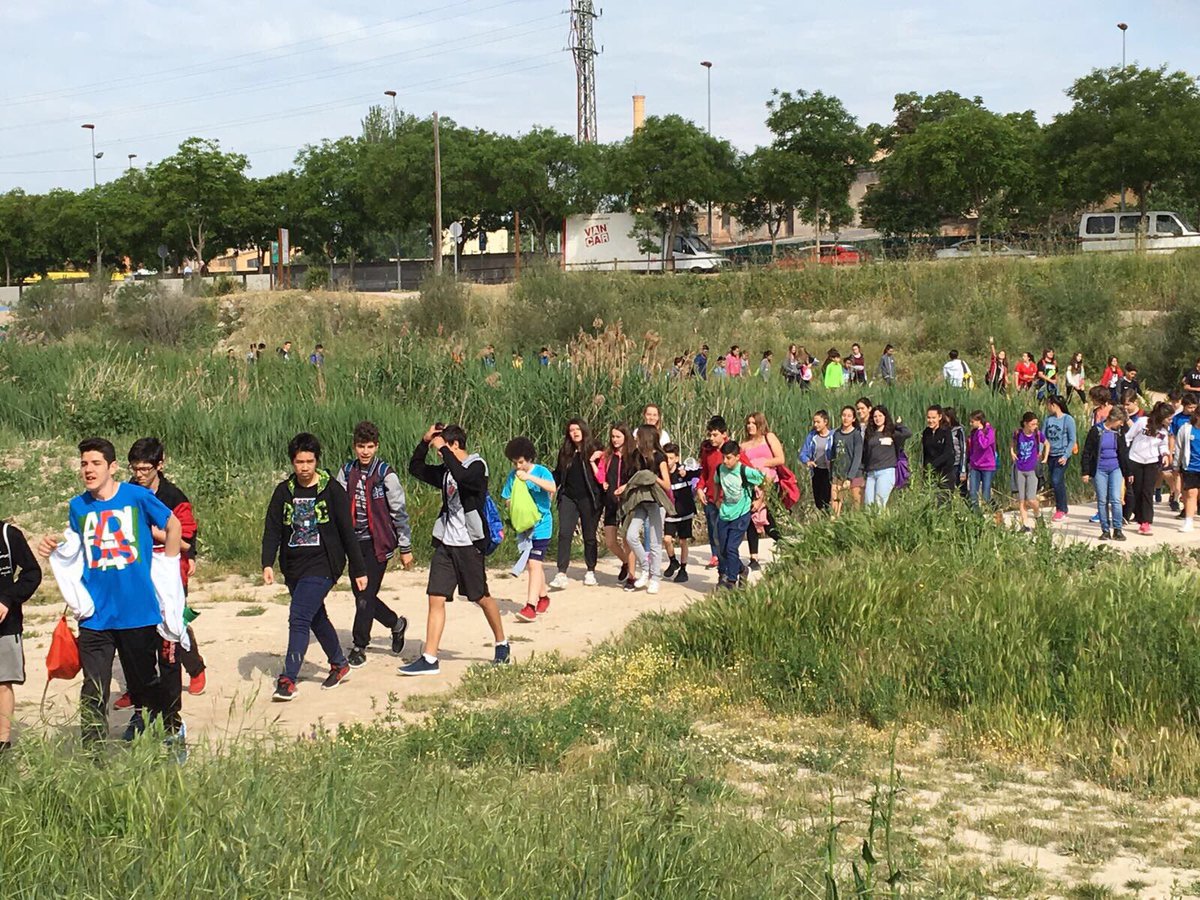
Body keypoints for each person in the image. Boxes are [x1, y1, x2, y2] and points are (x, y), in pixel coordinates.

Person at [37, 438, 184, 746]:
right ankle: (93, 756)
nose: (88, 470)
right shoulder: (78, 507)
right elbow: (77, 549)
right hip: (96, 616)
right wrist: (55, 547)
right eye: (83, 463)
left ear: (112, 467)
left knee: (144, 685)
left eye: (95, 463)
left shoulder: (137, 496)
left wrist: (169, 569)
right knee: (94, 689)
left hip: (137, 611)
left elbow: (173, 525)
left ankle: (165, 735)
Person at [262, 433, 366, 700]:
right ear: (292, 462)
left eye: (309, 461)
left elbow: (347, 532)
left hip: (324, 565)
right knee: (316, 616)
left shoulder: (332, 490)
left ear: (317, 461)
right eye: (299, 462)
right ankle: (340, 664)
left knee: (298, 617)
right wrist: (267, 562)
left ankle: (288, 679)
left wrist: (359, 569)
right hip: (293, 566)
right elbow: (272, 528)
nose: (304, 467)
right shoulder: (283, 491)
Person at [114, 438, 205, 739]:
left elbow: (186, 542)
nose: (139, 474)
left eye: (145, 468)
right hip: (135, 579)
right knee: (137, 652)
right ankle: (140, 713)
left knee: (170, 649)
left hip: (168, 577)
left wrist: (154, 532)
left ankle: (172, 717)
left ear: (160, 465)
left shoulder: (174, 497)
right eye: (135, 468)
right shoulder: (125, 492)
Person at [401, 424, 509, 675]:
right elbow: (415, 468)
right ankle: (430, 658)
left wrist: (444, 450)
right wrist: (425, 441)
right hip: (446, 544)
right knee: (435, 597)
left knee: (480, 597)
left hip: (469, 545)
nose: (440, 455)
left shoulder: (477, 466)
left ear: (456, 445)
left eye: (444, 449)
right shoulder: (447, 471)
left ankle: (502, 642)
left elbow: (463, 477)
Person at [336, 421, 413, 669]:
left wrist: (406, 547)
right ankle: (395, 624)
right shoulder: (347, 471)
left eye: (370, 446)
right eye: (361, 446)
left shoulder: (385, 474)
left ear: (377, 446)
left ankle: (359, 646)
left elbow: (399, 512)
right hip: (353, 543)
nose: (365, 451)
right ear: (354, 446)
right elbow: (337, 505)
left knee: (365, 596)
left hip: (378, 543)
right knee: (362, 595)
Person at [501, 437, 557, 622]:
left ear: (529, 459)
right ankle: (543, 597)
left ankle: (530, 606)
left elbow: (552, 488)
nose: (518, 466)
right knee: (533, 564)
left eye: (521, 462)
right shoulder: (512, 476)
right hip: (525, 528)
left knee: (534, 563)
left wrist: (530, 477)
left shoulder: (541, 471)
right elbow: (507, 497)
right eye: (515, 463)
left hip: (542, 524)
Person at [0, 521, 42, 752]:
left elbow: (32, 573)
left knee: (3, 682)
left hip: (5, 625)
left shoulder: (8, 534)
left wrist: (7, 599)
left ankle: (3, 744)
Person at [616, 426, 671, 593]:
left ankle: (655, 578)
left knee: (655, 542)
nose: (636, 441)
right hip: (640, 501)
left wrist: (652, 477)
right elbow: (636, 478)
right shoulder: (637, 456)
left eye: (638, 437)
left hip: (655, 502)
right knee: (630, 535)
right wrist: (625, 487)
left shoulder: (660, 457)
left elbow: (667, 484)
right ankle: (646, 568)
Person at [550, 419, 602, 589]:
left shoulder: (595, 448)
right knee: (565, 533)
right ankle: (561, 572)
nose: (575, 432)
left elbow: (603, 472)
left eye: (577, 429)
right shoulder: (566, 452)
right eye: (571, 430)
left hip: (589, 497)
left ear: (584, 430)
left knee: (589, 535)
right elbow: (558, 473)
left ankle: (590, 570)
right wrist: (549, 485)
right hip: (568, 497)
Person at [714, 440, 764, 590]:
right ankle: (742, 570)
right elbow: (716, 482)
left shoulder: (745, 471)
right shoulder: (720, 469)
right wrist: (716, 499)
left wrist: (759, 500)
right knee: (722, 549)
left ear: (737, 457)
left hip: (741, 515)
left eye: (728, 458)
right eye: (723, 457)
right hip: (724, 514)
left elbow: (763, 481)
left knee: (731, 548)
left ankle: (731, 580)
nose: (725, 461)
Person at [741, 412, 785, 570]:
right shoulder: (744, 445)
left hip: (769, 482)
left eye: (753, 423)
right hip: (751, 485)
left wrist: (763, 463)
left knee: (768, 519)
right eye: (748, 423)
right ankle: (754, 557)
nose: (750, 426)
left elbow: (780, 458)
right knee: (750, 520)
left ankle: (784, 546)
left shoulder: (769, 438)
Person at [1082, 409, 1130, 541]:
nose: (1121, 425)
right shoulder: (1096, 431)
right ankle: (1105, 530)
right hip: (1100, 469)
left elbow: (1123, 452)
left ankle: (1118, 529)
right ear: (1114, 419)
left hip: (1115, 468)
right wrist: (1085, 471)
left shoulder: (1119, 432)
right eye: (1120, 422)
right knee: (1102, 500)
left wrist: (1128, 472)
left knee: (1116, 499)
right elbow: (1087, 451)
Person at [1125, 402, 1173, 535]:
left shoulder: (1163, 430)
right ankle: (1138, 516)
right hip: (1135, 459)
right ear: (1162, 416)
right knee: (1137, 490)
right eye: (1169, 418)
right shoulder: (1142, 422)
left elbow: (1163, 445)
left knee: (1147, 491)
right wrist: (1125, 454)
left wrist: (1165, 454)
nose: (1171, 421)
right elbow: (1128, 437)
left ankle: (1146, 522)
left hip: (1151, 462)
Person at [597, 424, 634, 583]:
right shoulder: (608, 455)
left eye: (618, 436)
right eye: (613, 436)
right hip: (611, 502)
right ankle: (625, 562)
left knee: (627, 540)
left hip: (627, 502)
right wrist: (603, 481)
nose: (615, 440)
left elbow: (637, 476)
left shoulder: (633, 456)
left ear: (626, 437)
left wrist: (627, 486)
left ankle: (632, 576)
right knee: (610, 541)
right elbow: (600, 473)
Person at [695, 416, 730, 571]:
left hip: (726, 499)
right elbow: (704, 472)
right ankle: (715, 555)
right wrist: (699, 488)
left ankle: (727, 560)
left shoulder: (731, 451)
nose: (711, 438)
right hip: (710, 497)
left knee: (722, 531)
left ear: (724, 434)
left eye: (715, 435)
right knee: (711, 527)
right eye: (710, 434)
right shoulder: (707, 452)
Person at [662, 443, 699, 583]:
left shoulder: (683, 470)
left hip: (685, 511)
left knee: (683, 541)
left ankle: (683, 569)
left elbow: (698, 473)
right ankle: (673, 561)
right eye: (666, 458)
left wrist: (687, 473)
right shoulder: (662, 473)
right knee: (667, 539)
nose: (668, 461)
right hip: (670, 512)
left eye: (671, 458)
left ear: (676, 458)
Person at [862, 406, 911, 507]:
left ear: (885, 417)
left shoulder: (891, 432)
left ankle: (881, 522)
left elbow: (907, 433)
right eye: (875, 416)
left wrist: (898, 425)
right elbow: (865, 452)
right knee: (868, 504)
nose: (877, 418)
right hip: (871, 473)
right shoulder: (870, 433)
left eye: (880, 415)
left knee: (879, 503)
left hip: (886, 471)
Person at [1011, 412, 1049, 533]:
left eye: (1036, 424)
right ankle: (1025, 525)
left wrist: (1045, 457)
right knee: (1021, 500)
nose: (1035, 426)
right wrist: (1012, 452)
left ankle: (1038, 516)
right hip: (1020, 469)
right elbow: (1012, 444)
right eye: (1032, 424)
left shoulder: (1037, 434)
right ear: (1026, 424)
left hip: (1032, 470)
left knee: (1031, 499)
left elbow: (1047, 444)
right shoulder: (1018, 434)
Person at [1042, 396, 1077, 523]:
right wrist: (1041, 452)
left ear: (1053, 405)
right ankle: (1061, 506)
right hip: (1050, 455)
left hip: (1062, 455)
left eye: (1048, 404)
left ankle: (1061, 509)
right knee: (1055, 481)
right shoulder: (1048, 419)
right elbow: (1043, 437)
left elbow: (1072, 439)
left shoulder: (1068, 420)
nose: (1047, 407)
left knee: (1057, 480)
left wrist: (1066, 455)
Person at [829, 406, 864, 514]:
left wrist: (850, 478)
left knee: (856, 507)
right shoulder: (836, 434)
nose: (846, 418)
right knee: (835, 506)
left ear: (853, 419)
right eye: (844, 415)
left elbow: (857, 457)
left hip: (854, 474)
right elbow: (833, 455)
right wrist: (832, 473)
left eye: (849, 416)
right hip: (838, 475)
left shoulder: (856, 435)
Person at [799, 410, 834, 511]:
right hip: (816, 470)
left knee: (827, 499)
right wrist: (808, 461)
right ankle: (822, 520)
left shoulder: (833, 436)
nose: (815, 424)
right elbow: (803, 453)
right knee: (818, 500)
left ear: (825, 421)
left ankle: (829, 518)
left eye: (818, 422)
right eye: (814, 422)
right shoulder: (812, 436)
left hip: (829, 471)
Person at [921, 406, 956, 494]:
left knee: (943, 499)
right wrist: (925, 470)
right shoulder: (926, 432)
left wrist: (933, 464)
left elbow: (948, 452)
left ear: (939, 417)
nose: (930, 420)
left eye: (933, 418)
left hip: (945, 472)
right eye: (929, 418)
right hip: (930, 473)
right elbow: (925, 453)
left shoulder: (946, 431)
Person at [966, 411, 998, 509]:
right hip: (975, 465)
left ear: (979, 421)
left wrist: (980, 432)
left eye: (972, 422)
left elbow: (984, 445)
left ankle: (994, 507)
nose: (970, 424)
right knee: (973, 492)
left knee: (985, 494)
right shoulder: (973, 432)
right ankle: (976, 515)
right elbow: (972, 448)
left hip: (987, 466)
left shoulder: (989, 431)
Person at [1176, 406, 1200, 532]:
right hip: (1190, 466)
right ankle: (1188, 521)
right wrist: (1176, 464)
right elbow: (1179, 447)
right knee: (1191, 493)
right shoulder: (1186, 429)